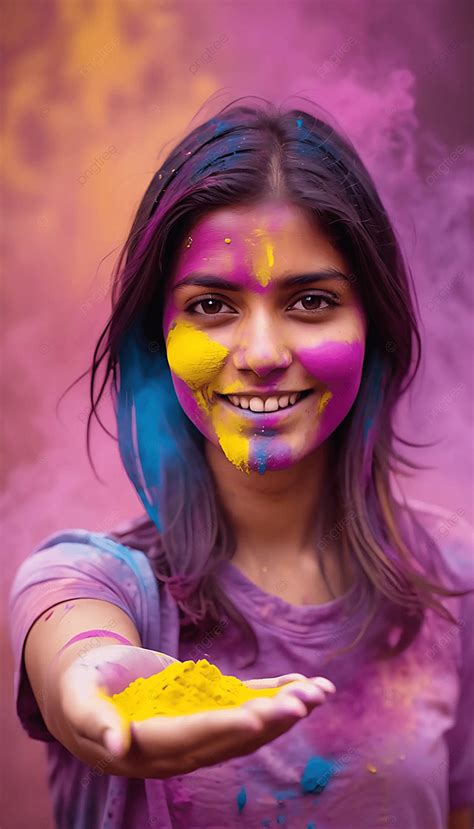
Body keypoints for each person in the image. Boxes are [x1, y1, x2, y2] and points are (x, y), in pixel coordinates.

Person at [9, 98, 473, 829]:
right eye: (212, 306)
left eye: (312, 300)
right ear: (157, 334)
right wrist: (94, 689)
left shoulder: (456, 582)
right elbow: (78, 659)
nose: (260, 355)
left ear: (373, 323)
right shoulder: (87, 579)